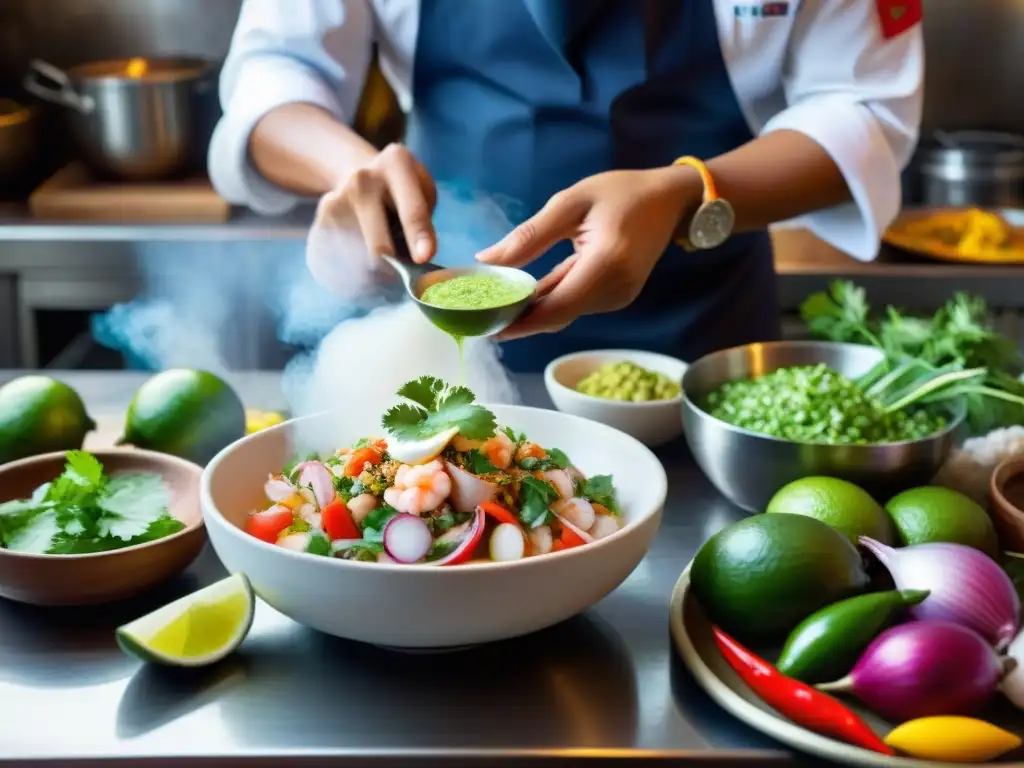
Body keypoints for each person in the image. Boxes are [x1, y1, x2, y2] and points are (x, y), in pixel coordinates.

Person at [209, 0, 924, 371]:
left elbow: (866, 109)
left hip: (705, 350)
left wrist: (686, 194)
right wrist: (349, 169)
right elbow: (275, 73)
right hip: (445, 336)